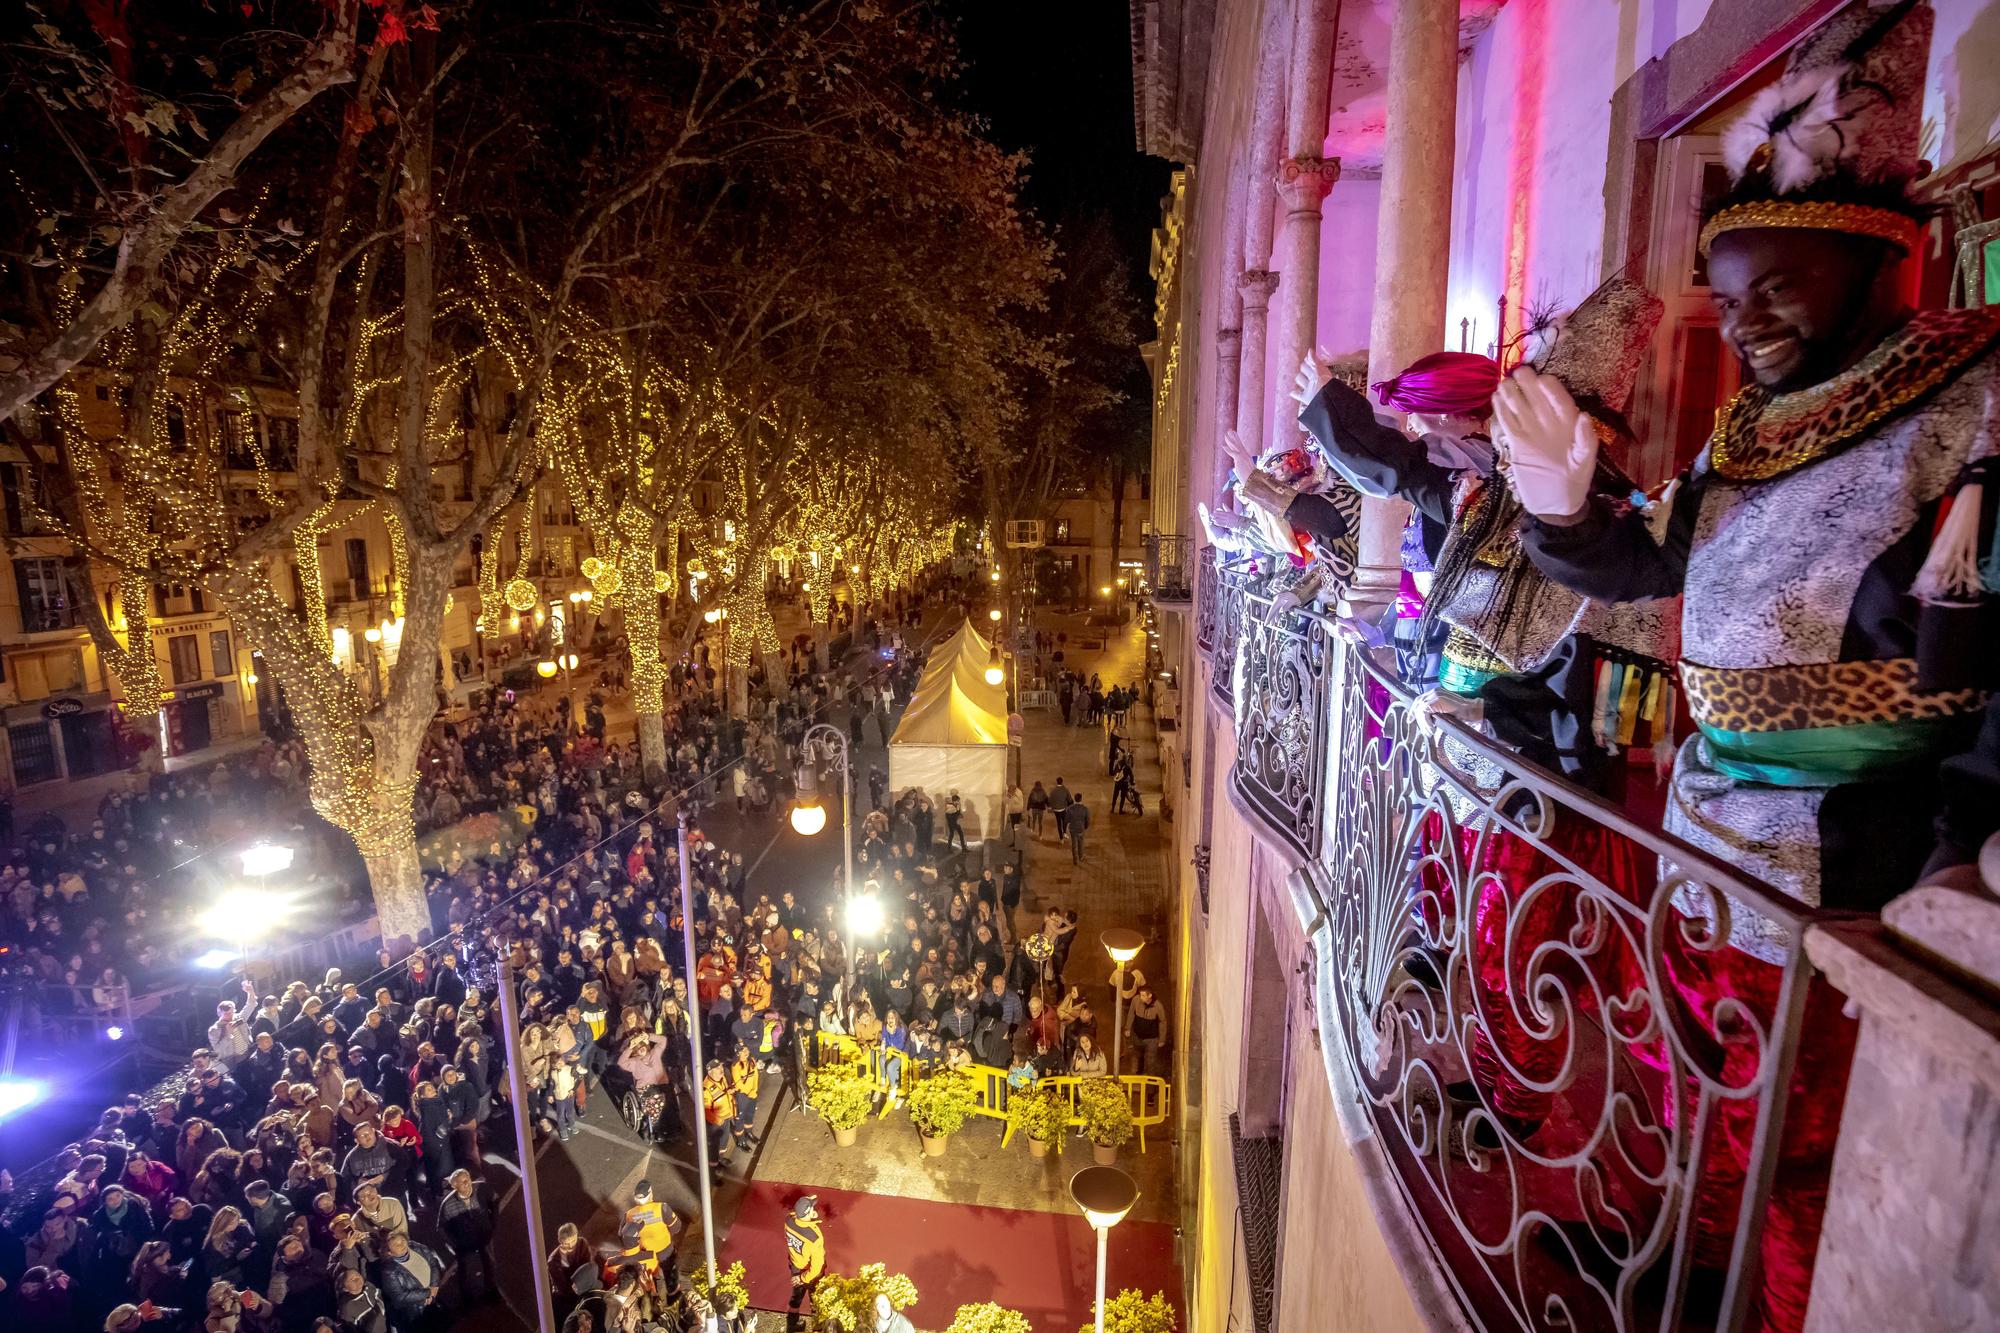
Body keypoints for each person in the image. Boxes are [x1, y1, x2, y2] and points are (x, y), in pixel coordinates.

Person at [1502, 8, 1997, 1329]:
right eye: (1732, 300)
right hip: (1706, 830)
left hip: (1863, 855)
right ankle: (1692, 1260)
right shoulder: (1749, 437)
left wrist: (1960, 833)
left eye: (1779, 287)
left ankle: (1766, 1305)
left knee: (1805, 1138)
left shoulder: (1976, 400)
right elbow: (1640, 564)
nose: (1752, 321)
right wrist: (1562, 502)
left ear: (1877, 263)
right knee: (1702, 1087)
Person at [435, 1170, 497, 1305]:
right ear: (454, 1187)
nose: (468, 1183)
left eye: (468, 1179)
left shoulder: (481, 1188)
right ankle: (467, 1297)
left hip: (484, 1236)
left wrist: (493, 1222)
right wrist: (455, 1243)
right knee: (465, 1269)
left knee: (489, 1263)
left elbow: (494, 1199)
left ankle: (491, 1290)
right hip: (464, 1243)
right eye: (462, 1182)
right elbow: (441, 1228)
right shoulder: (447, 1204)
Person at [372, 1232, 444, 1332]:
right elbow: (399, 1297)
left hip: (435, 1298)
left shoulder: (416, 1247)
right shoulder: (388, 1271)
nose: (402, 1245)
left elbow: (433, 1263)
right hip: (419, 1311)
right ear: (389, 1252)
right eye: (396, 1244)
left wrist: (434, 1286)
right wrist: (428, 1293)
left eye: (402, 1240)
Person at [783, 1194, 824, 1333]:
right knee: (816, 1299)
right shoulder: (814, 1236)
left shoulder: (788, 1221)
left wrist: (808, 1210)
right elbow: (817, 1265)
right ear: (807, 1213)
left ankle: (792, 1323)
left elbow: (796, 1214)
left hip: (795, 1266)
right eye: (812, 1207)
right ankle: (818, 1327)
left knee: (796, 1296)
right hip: (810, 1272)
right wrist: (803, 1278)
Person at [1065, 792, 1090, 866]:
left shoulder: (1069, 809)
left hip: (1073, 829)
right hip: (1081, 828)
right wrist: (1085, 827)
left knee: (1074, 844)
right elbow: (1087, 820)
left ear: (1074, 799)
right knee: (1081, 843)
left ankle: (1075, 860)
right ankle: (1081, 856)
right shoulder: (1085, 809)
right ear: (1081, 799)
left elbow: (1067, 820)